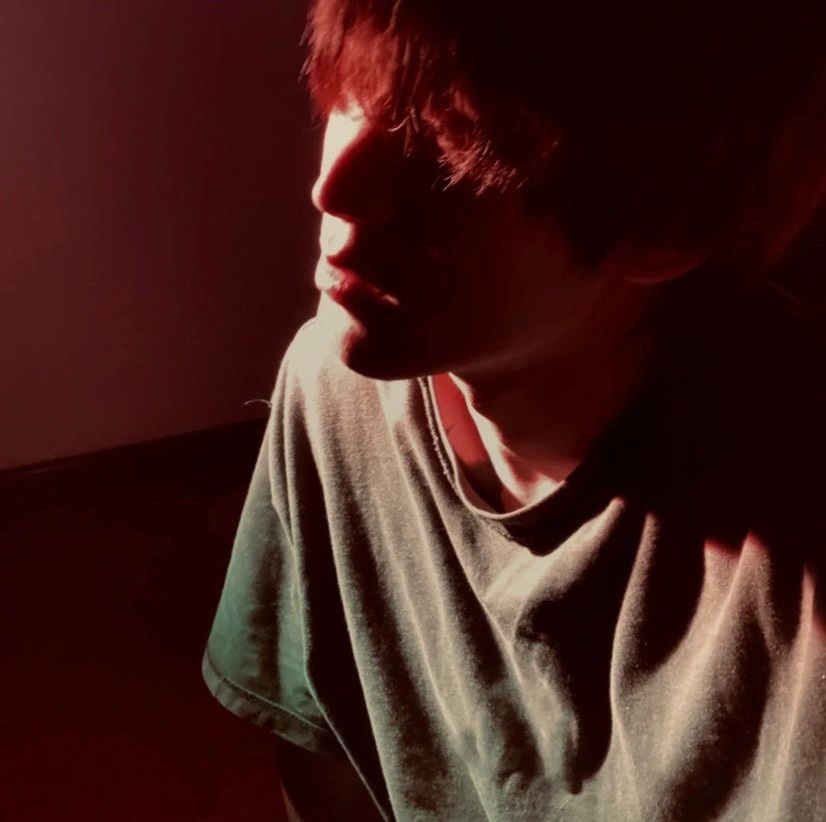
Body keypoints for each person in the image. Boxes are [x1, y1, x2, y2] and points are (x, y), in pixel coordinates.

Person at [202, 1, 826, 819]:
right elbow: (326, 769)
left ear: (666, 221)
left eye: (448, 143)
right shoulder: (334, 392)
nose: (337, 186)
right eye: (351, 92)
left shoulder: (794, 546)